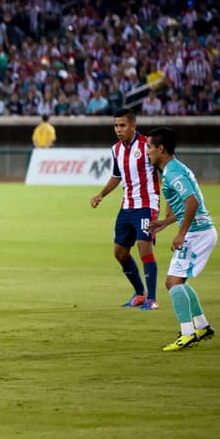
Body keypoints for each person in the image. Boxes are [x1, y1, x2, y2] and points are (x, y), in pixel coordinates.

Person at [146, 127, 217, 351]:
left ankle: (187, 334)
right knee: (180, 280)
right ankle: (202, 326)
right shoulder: (174, 168)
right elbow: (184, 204)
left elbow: (192, 202)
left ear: (161, 149)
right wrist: (165, 223)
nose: (147, 152)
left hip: (198, 233)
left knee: (172, 282)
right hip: (200, 230)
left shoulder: (173, 173)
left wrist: (181, 233)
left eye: (149, 147)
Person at [89, 108, 161, 310]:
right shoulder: (116, 149)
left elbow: (164, 169)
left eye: (122, 125)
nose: (118, 129)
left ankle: (152, 299)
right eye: (116, 125)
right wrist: (100, 195)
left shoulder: (148, 145)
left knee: (143, 246)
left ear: (133, 126)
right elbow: (116, 176)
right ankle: (140, 293)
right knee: (120, 252)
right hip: (127, 206)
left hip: (146, 205)